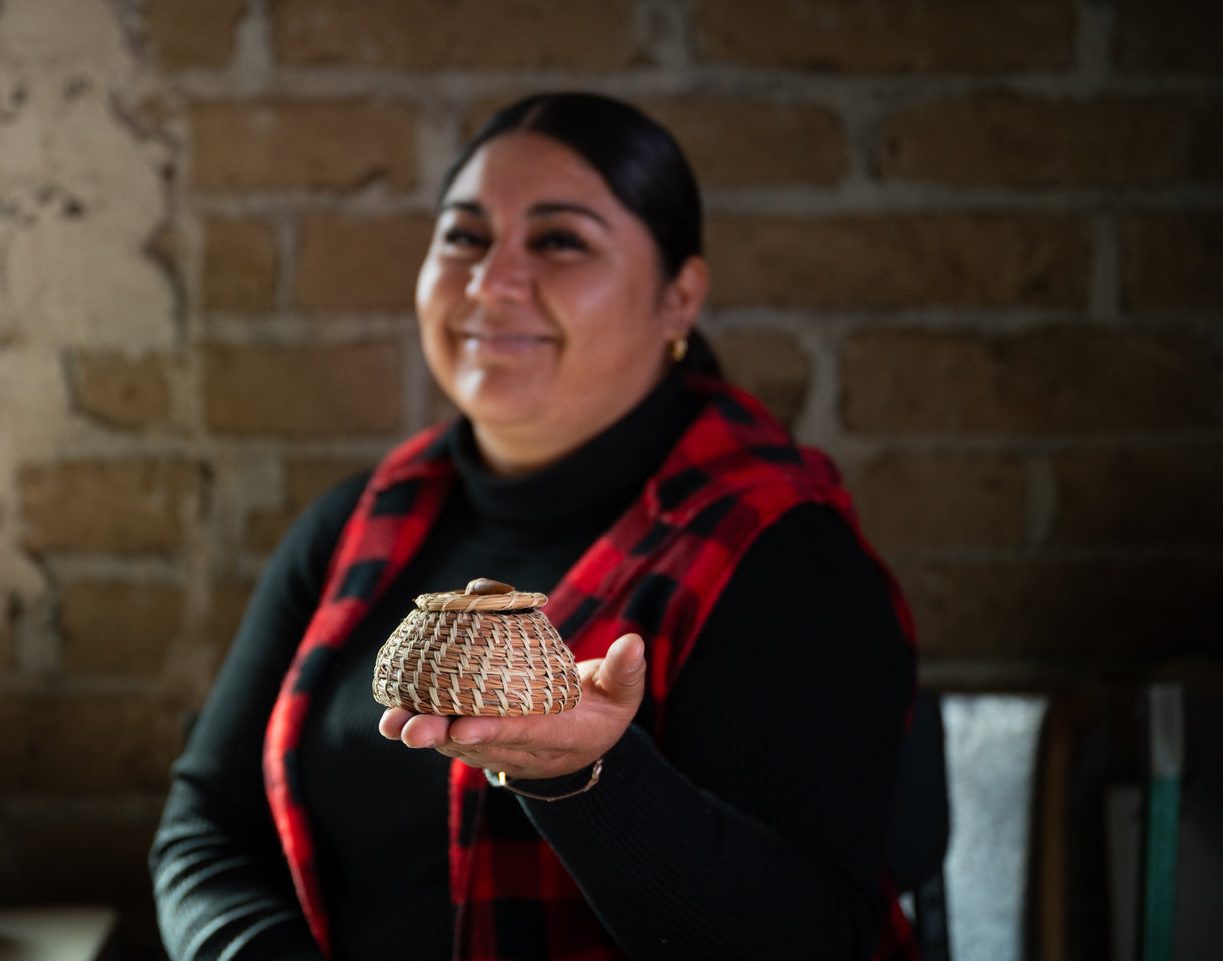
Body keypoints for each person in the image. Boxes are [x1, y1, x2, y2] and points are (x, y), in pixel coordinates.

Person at [151, 92, 918, 961]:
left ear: (679, 298)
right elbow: (203, 831)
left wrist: (588, 780)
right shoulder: (351, 525)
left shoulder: (782, 552)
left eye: (559, 241)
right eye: (463, 237)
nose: (490, 282)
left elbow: (819, 942)